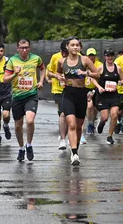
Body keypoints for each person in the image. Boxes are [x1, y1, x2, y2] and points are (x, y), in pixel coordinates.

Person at [57, 36, 98, 166]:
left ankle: (76, 149)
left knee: (79, 126)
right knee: (72, 124)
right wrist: (60, 78)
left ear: (80, 47)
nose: (75, 47)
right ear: (67, 47)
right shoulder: (61, 61)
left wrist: (85, 73)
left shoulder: (84, 60)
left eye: (77, 45)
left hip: (81, 93)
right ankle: (74, 153)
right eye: (72, 45)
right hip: (68, 93)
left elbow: (97, 74)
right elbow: (58, 73)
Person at [4, 38, 45, 162]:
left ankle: (29, 145)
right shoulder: (12, 61)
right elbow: (5, 79)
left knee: (30, 121)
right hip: (17, 97)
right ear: (17, 49)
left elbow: (43, 68)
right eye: (22, 48)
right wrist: (15, 74)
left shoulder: (36, 58)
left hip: (31, 95)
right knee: (18, 126)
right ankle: (21, 148)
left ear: (29, 48)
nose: (24, 50)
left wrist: (41, 81)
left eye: (26, 47)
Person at [92, 49, 123, 144]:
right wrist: (99, 87)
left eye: (111, 55)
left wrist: (121, 82)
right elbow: (93, 79)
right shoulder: (101, 68)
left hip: (113, 95)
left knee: (114, 115)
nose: (110, 57)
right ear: (105, 57)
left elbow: (121, 80)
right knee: (105, 117)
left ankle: (110, 136)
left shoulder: (118, 68)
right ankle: (101, 123)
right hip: (102, 96)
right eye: (108, 56)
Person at [46, 39, 68, 150]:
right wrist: (57, 76)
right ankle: (63, 140)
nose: (64, 54)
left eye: (66, 52)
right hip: (58, 89)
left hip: (73, 89)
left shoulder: (78, 57)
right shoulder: (55, 57)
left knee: (70, 116)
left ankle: (64, 132)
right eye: (63, 51)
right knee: (63, 113)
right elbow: (48, 72)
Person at [85, 48, 102, 135]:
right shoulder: (84, 63)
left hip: (96, 88)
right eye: (89, 55)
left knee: (95, 108)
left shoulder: (99, 64)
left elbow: (100, 76)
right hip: (86, 88)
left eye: (93, 55)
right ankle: (90, 124)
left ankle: (93, 120)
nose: (91, 57)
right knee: (89, 106)